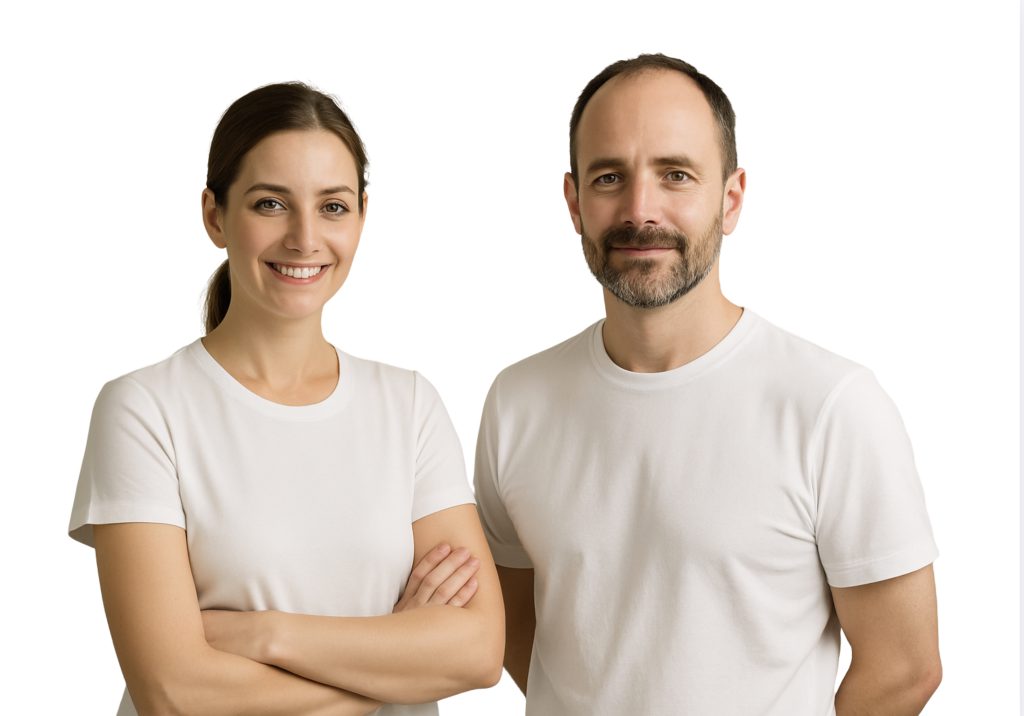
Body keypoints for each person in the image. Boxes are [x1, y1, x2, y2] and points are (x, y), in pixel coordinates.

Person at [474, 54, 941, 715]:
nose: (641, 209)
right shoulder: (517, 402)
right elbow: (521, 629)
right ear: (574, 203)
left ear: (731, 198)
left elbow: (904, 669)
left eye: (676, 175)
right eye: (609, 177)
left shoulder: (831, 406)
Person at [69, 82, 503, 715]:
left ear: (361, 217)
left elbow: (479, 651)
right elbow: (173, 692)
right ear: (215, 216)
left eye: (333, 206)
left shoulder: (409, 406)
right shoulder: (143, 410)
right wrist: (397, 663)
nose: (304, 238)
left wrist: (264, 634)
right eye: (270, 204)